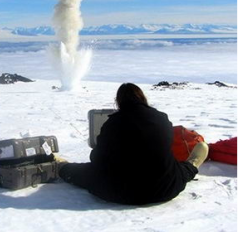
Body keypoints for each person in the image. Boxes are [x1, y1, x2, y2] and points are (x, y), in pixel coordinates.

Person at [57, 83, 209, 205]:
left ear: (119, 101)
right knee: (181, 170)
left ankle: (60, 165)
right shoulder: (162, 118)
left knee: (81, 172)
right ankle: (193, 163)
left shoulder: (113, 123)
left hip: (118, 192)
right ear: (142, 98)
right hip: (165, 188)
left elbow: (97, 158)